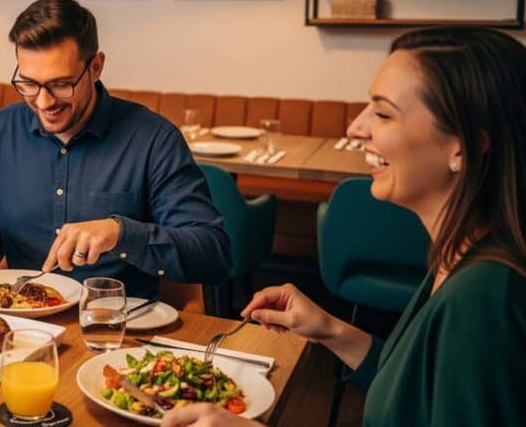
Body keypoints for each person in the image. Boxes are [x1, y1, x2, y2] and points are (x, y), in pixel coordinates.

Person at [162, 27, 526, 427]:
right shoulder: (457, 259)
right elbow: (408, 395)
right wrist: (329, 329)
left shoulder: (484, 298)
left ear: (463, 145)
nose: (355, 127)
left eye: (383, 113)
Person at [0, 0, 230, 294]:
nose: (43, 102)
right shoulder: (3, 128)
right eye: (29, 84)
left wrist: (120, 234)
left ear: (96, 66)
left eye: (61, 84)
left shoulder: (153, 139)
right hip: (19, 324)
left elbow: (213, 253)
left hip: (113, 328)